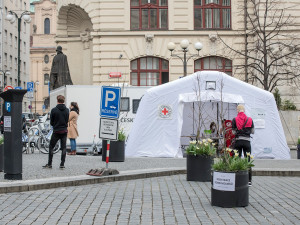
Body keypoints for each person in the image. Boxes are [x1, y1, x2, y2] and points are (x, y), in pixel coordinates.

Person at [43, 95, 69, 169]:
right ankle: (62, 164)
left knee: (51, 147)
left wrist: (55, 125)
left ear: (57, 100)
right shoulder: (67, 110)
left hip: (56, 131)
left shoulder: (54, 110)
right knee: (63, 148)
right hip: (64, 131)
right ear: (63, 101)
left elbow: (51, 122)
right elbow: (67, 120)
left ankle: (50, 164)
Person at [232, 104, 254, 186]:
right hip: (247, 142)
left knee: (236, 159)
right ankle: (249, 181)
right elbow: (253, 131)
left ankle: (237, 179)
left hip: (238, 141)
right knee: (247, 160)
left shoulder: (234, 119)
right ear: (244, 110)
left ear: (237, 110)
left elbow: (233, 132)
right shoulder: (250, 119)